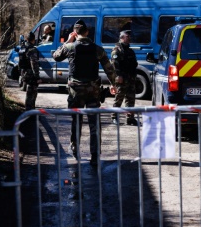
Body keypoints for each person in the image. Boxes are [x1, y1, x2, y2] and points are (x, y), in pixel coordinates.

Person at [53, 19, 116, 166]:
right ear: (87, 32)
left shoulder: (69, 47)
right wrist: (114, 85)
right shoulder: (97, 49)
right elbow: (109, 68)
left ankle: (75, 149)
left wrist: (68, 40)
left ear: (75, 33)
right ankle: (94, 155)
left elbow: (56, 56)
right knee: (94, 123)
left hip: (76, 92)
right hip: (93, 91)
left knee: (76, 120)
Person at [111, 30, 139, 126]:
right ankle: (114, 117)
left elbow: (135, 64)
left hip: (130, 78)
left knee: (130, 99)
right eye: (128, 36)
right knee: (119, 98)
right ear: (122, 37)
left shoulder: (130, 51)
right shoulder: (117, 50)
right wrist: (118, 75)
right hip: (122, 78)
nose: (129, 38)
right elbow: (114, 64)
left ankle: (130, 118)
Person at [23, 31, 41, 110]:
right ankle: (30, 112)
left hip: (25, 73)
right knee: (32, 94)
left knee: (28, 94)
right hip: (31, 75)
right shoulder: (32, 49)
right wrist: (37, 77)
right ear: (33, 39)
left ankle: (28, 111)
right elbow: (34, 64)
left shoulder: (23, 47)